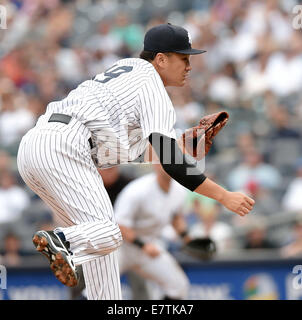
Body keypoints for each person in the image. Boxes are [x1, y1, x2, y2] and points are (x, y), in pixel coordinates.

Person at [17, 23, 254, 300]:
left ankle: (77, 254)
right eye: (184, 58)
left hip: (38, 147)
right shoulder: (152, 83)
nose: (189, 66)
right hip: (65, 148)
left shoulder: (128, 73)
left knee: (102, 252)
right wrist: (224, 196)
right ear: (161, 59)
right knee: (109, 232)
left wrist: (182, 142)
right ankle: (63, 240)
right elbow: (171, 163)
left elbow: (124, 150)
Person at [115, 164, 190, 300]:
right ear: (156, 165)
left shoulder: (179, 190)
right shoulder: (138, 189)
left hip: (149, 247)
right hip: (120, 247)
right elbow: (120, 225)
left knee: (178, 287)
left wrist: (186, 238)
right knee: (95, 291)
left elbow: (176, 217)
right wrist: (142, 245)